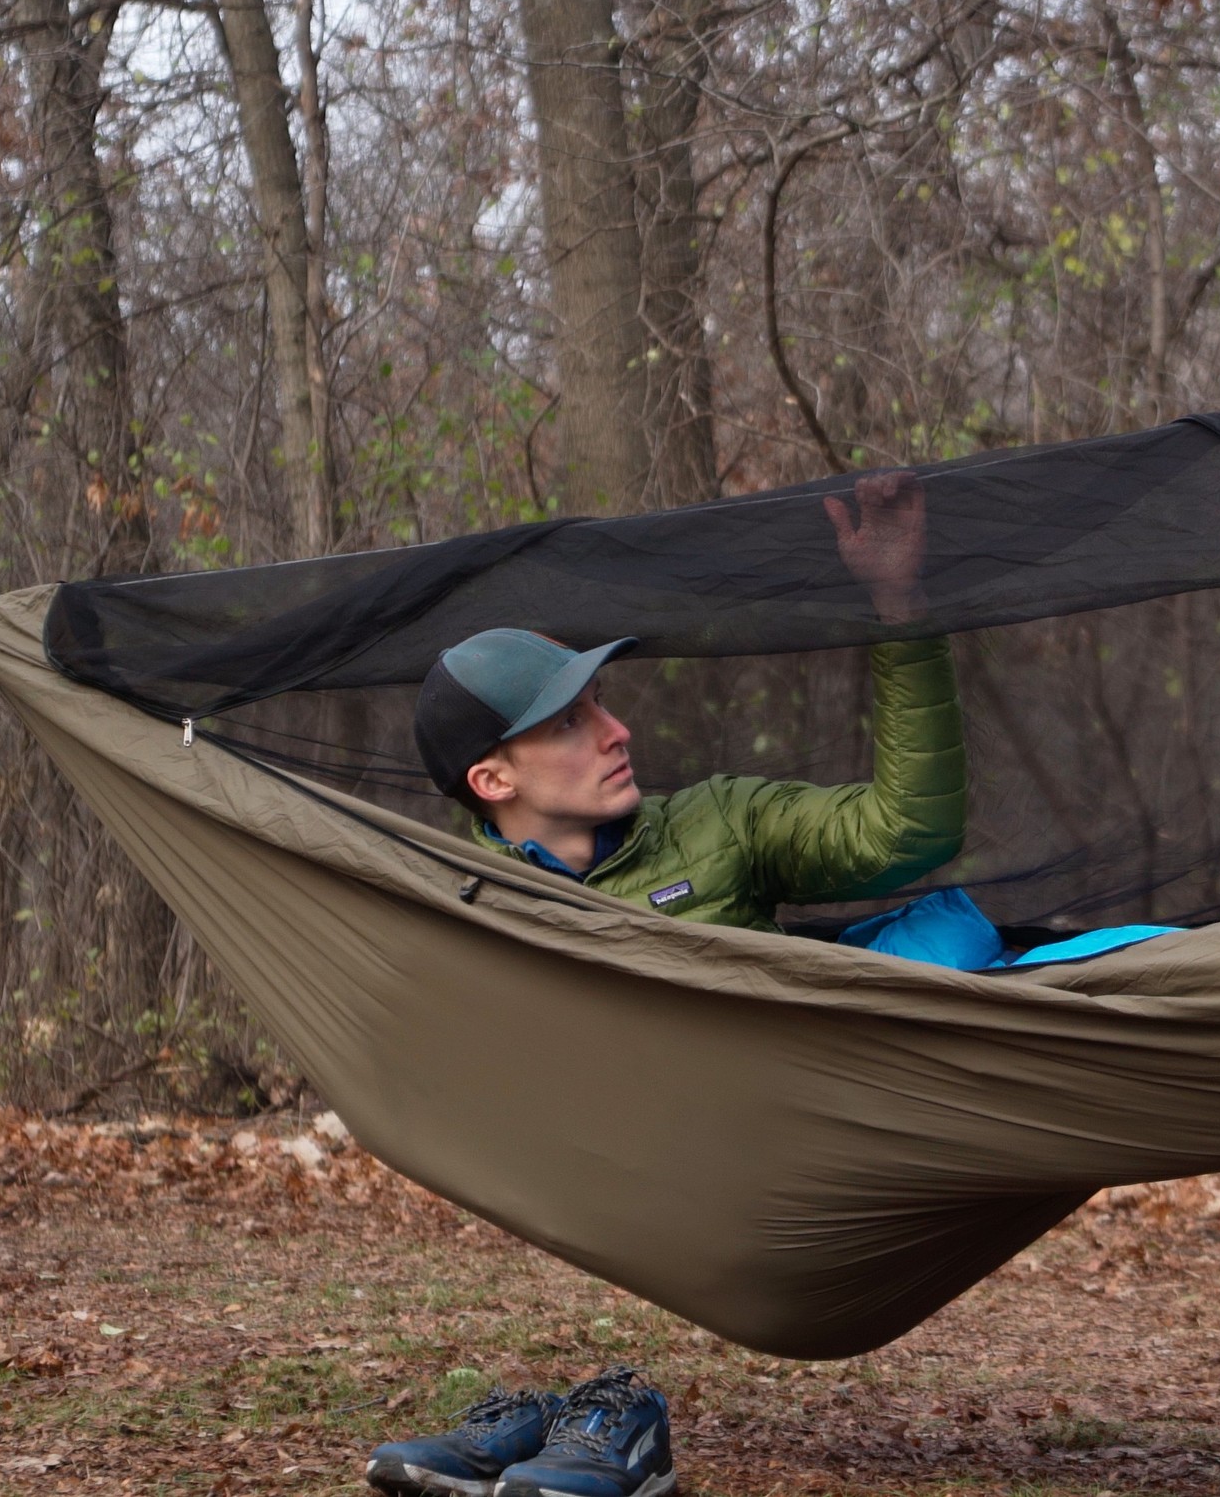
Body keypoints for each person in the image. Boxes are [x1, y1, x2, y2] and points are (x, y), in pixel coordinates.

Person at [364, 471, 964, 1497]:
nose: (616, 730)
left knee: (948, 941)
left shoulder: (721, 823)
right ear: (492, 780)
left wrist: (899, 608)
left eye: (602, 702)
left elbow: (906, 833)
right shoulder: (461, 911)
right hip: (643, 1188)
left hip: (803, 1168)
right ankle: (565, 1421)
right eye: (568, 723)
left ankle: (596, 1428)